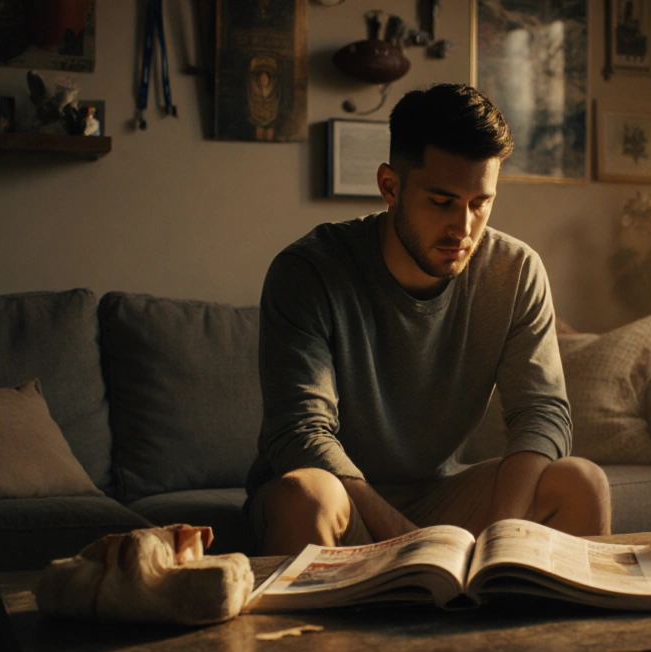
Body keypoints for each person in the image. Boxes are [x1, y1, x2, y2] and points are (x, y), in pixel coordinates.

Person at [244, 83, 611, 556]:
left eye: (480, 203)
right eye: (441, 202)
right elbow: (300, 433)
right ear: (390, 187)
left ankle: (520, 627)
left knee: (581, 483)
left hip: (441, 495)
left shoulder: (515, 271)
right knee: (308, 496)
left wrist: (499, 540)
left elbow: (542, 413)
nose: (463, 228)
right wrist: (412, 544)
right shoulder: (308, 272)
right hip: (337, 500)